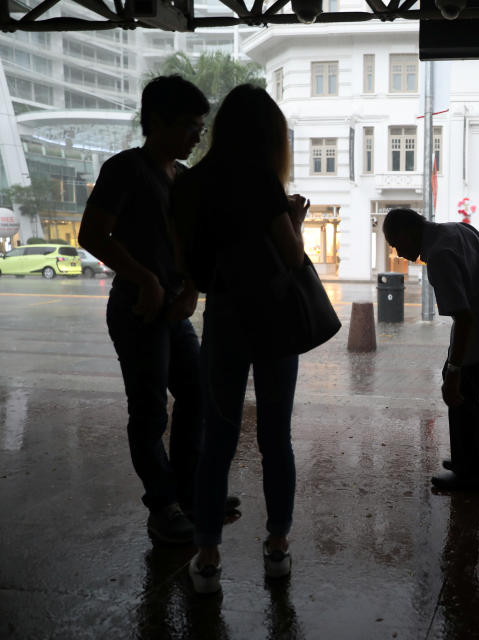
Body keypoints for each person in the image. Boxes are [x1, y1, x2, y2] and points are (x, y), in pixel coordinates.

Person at [78, 75, 239, 545]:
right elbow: (91, 235)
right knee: (149, 413)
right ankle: (163, 505)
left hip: (174, 309)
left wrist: (189, 289)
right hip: (136, 309)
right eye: (189, 126)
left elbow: (193, 249)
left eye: (200, 126)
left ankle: (188, 492)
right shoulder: (125, 170)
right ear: (157, 123)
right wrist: (144, 277)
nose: (197, 135)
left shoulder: (183, 178)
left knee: (197, 397)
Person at [172, 84, 309, 594]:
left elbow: (187, 265)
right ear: (269, 134)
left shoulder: (191, 183)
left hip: (224, 314)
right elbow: (292, 258)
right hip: (273, 317)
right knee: (276, 436)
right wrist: (294, 218)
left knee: (217, 439)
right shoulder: (260, 180)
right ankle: (276, 549)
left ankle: (207, 556)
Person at [383, 208, 479, 491]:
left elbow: (464, 319)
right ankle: (475, 454)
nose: (398, 253)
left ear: (407, 233)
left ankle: (470, 474)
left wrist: (453, 372)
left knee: (458, 390)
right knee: (466, 390)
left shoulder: (439, 256)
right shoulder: (460, 229)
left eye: (396, 245)